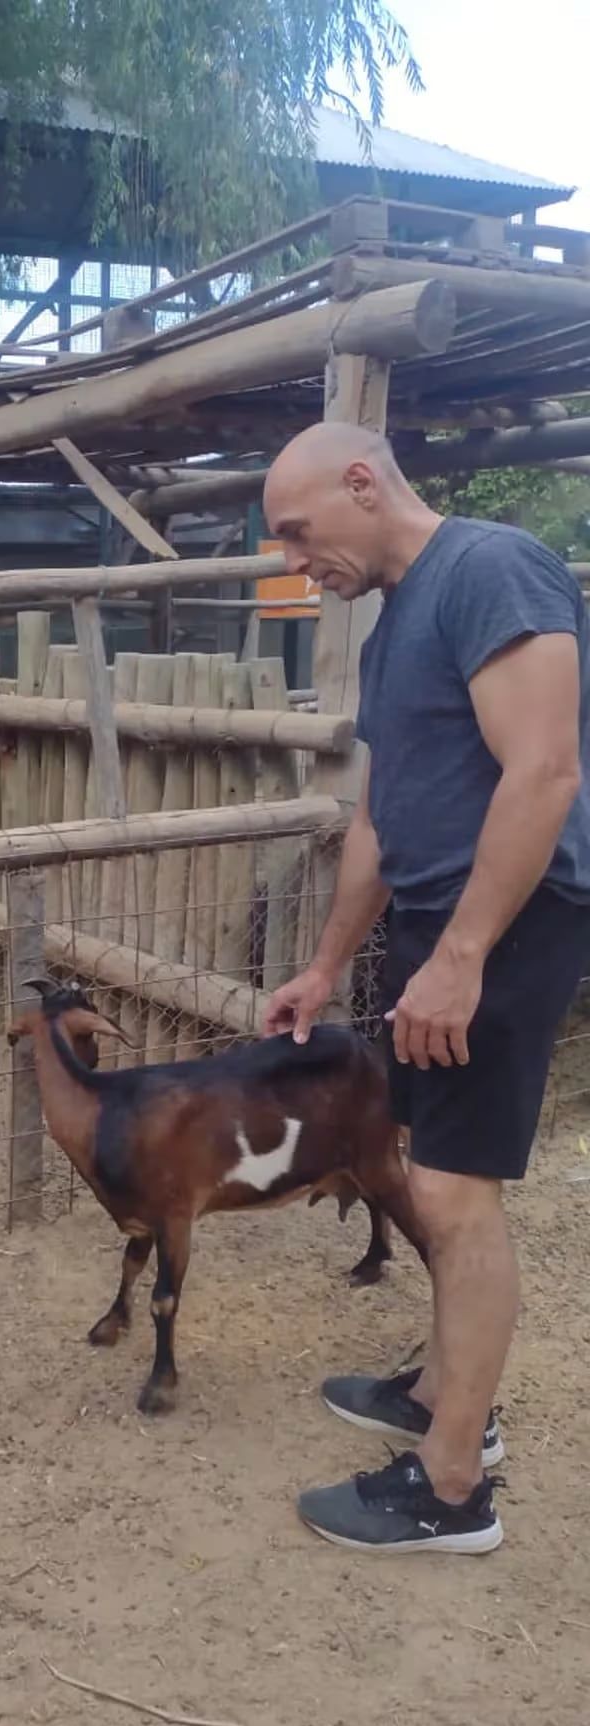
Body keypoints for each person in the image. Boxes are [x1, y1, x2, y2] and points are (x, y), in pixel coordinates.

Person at [260, 421, 590, 1554]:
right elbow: (382, 814)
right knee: (432, 1170)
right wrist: (328, 960)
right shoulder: (400, 622)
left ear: (364, 480)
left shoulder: (493, 567)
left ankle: (453, 1487)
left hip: (505, 926)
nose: (297, 562)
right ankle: (446, 1395)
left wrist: (461, 957)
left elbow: (545, 768)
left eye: (300, 532)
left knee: (454, 1196)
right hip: (439, 925)